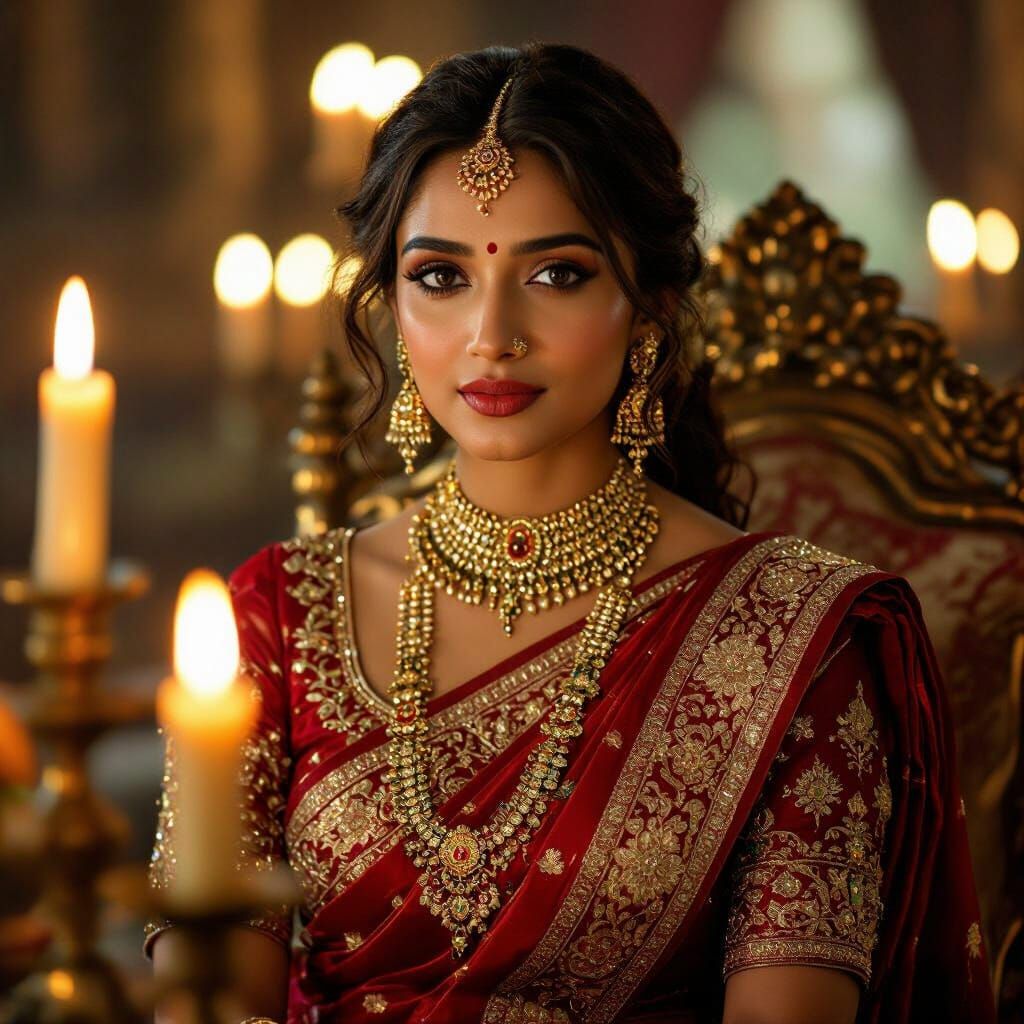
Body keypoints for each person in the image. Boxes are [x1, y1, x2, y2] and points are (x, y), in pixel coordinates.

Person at [146, 43, 995, 1024]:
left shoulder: (791, 638)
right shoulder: (277, 618)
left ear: (650, 308)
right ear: (388, 307)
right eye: (439, 275)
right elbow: (199, 1004)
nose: (491, 333)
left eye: (555, 273)